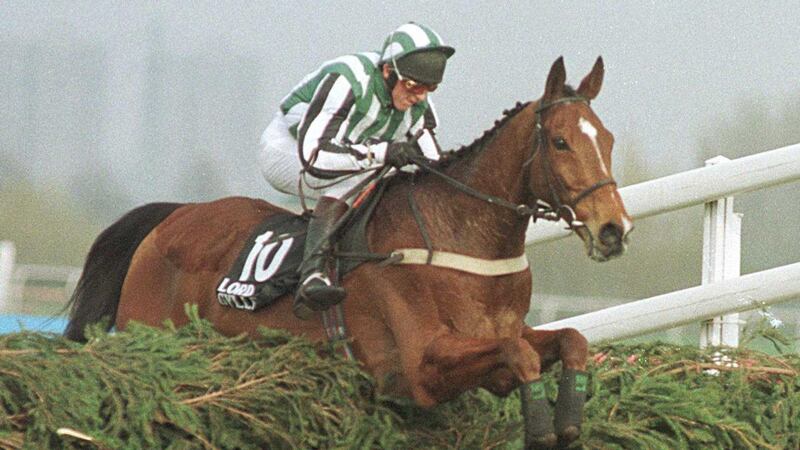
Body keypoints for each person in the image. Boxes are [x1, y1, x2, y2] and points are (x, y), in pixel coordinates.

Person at [259, 22, 455, 320]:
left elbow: (433, 169)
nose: (420, 97)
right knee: (366, 174)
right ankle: (312, 275)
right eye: (413, 86)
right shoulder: (349, 81)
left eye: (431, 88)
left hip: (341, 151)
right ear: (388, 72)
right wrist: (380, 152)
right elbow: (315, 158)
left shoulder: (417, 104)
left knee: (400, 180)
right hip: (288, 150)